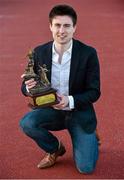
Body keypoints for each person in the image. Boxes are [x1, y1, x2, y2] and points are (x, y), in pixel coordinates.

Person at [20, 4, 101, 174]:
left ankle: (90, 136)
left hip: (78, 111)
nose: (61, 31)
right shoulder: (39, 52)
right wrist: (28, 88)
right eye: (57, 25)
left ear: (74, 28)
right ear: (50, 26)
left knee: (85, 168)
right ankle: (54, 148)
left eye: (67, 26)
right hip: (52, 111)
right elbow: (25, 84)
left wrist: (69, 100)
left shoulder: (88, 53)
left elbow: (94, 92)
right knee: (27, 123)